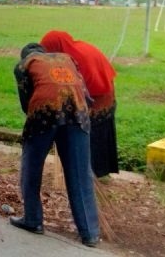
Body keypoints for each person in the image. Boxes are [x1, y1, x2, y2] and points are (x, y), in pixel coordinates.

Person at [11, 43, 100, 247]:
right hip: (78, 113)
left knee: (32, 168)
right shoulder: (66, 59)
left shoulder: (24, 64)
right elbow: (86, 94)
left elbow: (26, 102)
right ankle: (90, 233)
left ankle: (33, 220)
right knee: (79, 174)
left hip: (45, 113)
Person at [40, 31, 118, 178]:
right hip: (105, 90)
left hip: (98, 95)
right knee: (98, 132)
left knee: (91, 133)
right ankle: (99, 173)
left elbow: (76, 91)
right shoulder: (77, 47)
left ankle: (91, 174)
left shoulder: (73, 58)